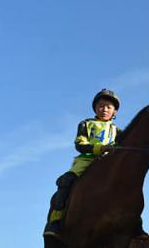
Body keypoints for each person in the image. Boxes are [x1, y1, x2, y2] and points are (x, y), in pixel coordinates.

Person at [44, 89, 128, 237]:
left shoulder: (117, 131)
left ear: (114, 111)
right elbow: (80, 144)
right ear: (95, 108)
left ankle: (134, 222)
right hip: (86, 160)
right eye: (101, 106)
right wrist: (98, 148)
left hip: (108, 163)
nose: (104, 109)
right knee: (66, 181)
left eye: (108, 107)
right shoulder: (86, 124)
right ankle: (55, 220)